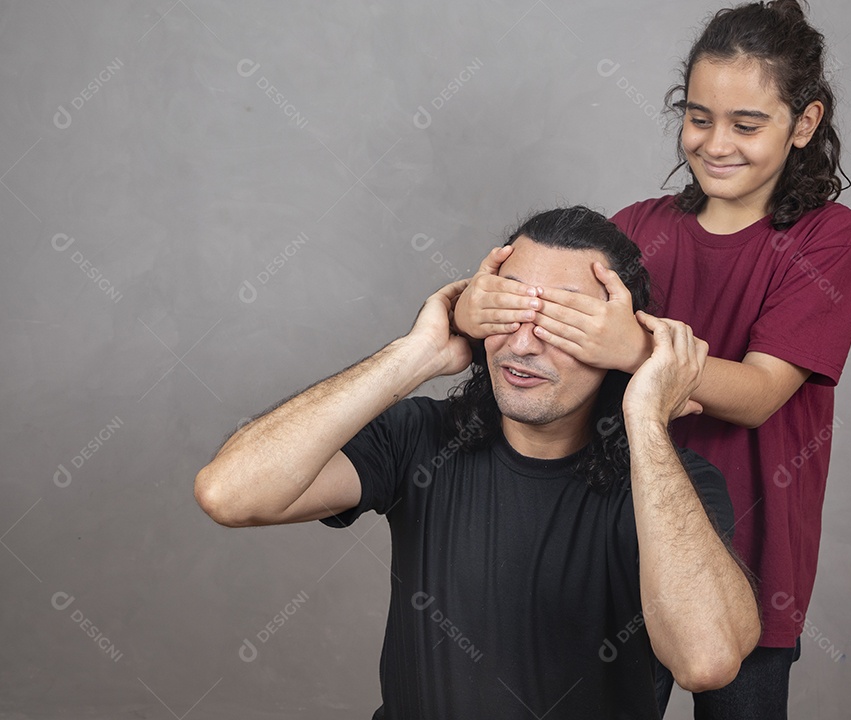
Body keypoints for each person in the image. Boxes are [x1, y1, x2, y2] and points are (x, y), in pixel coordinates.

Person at [453, 2, 851, 717]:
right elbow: (543, 338)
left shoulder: (829, 239)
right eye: (699, 117)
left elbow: (760, 393)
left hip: (751, 547)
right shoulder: (636, 227)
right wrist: (471, 311)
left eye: (747, 124)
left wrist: (633, 349)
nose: (716, 143)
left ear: (803, 124)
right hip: (617, 538)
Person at [194, 206, 761, 719]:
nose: (523, 344)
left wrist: (645, 412)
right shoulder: (420, 438)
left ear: (617, 341)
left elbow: (706, 662)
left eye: (564, 324)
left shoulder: (671, 487)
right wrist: (415, 354)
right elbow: (230, 494)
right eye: (508, 309)